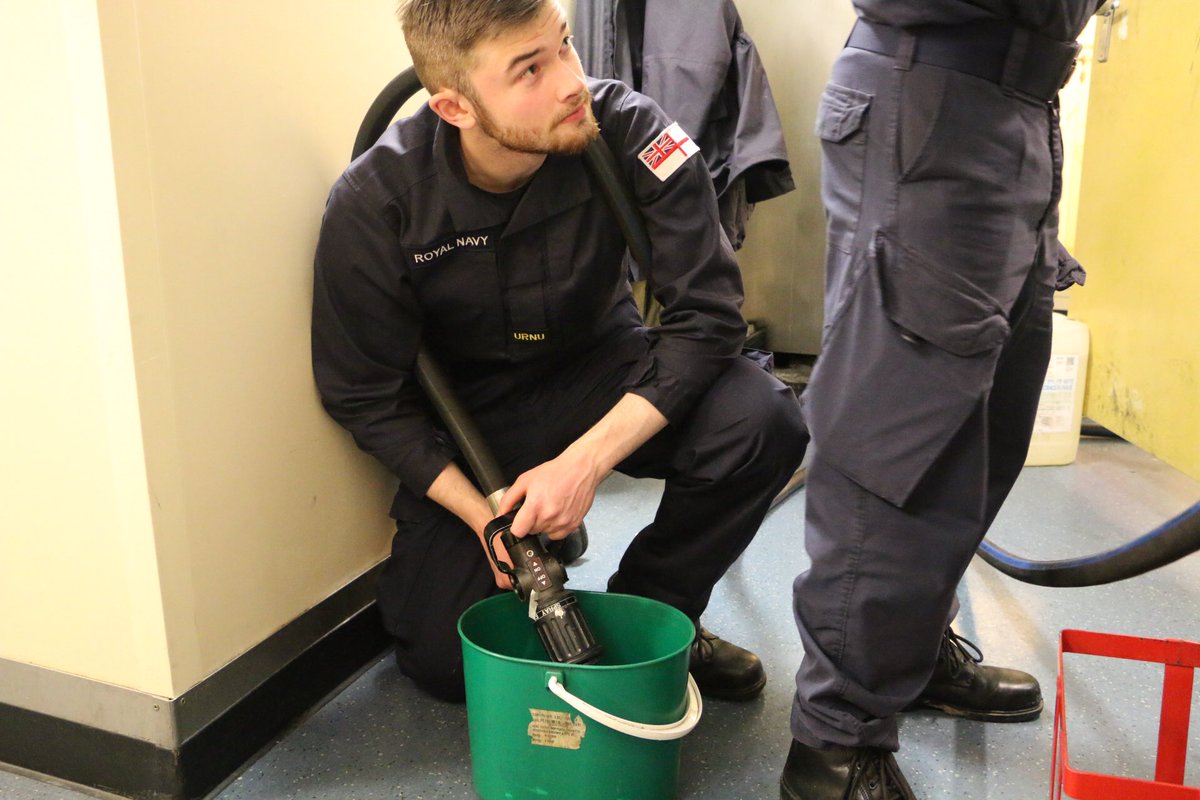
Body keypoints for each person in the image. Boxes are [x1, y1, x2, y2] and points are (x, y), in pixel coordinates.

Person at [311, 0, 806, 704]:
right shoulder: (374, 204)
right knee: (446, 665)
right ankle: (536, 567)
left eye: (565, 46)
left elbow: (709, 317)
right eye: (531, 69)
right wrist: (485, 521)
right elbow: (366, 396)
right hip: (474, 422)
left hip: (603, 370)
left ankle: (659, 611)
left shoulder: (631, 129)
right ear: (455, 108)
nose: (572, 80)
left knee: (762, 420)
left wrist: (583, 464)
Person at [782, 2, 1099, 798]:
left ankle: (906, 658)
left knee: (992, 422)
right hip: (939, 95)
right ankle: (834, 744)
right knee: (905, 439)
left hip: (1016, 102)